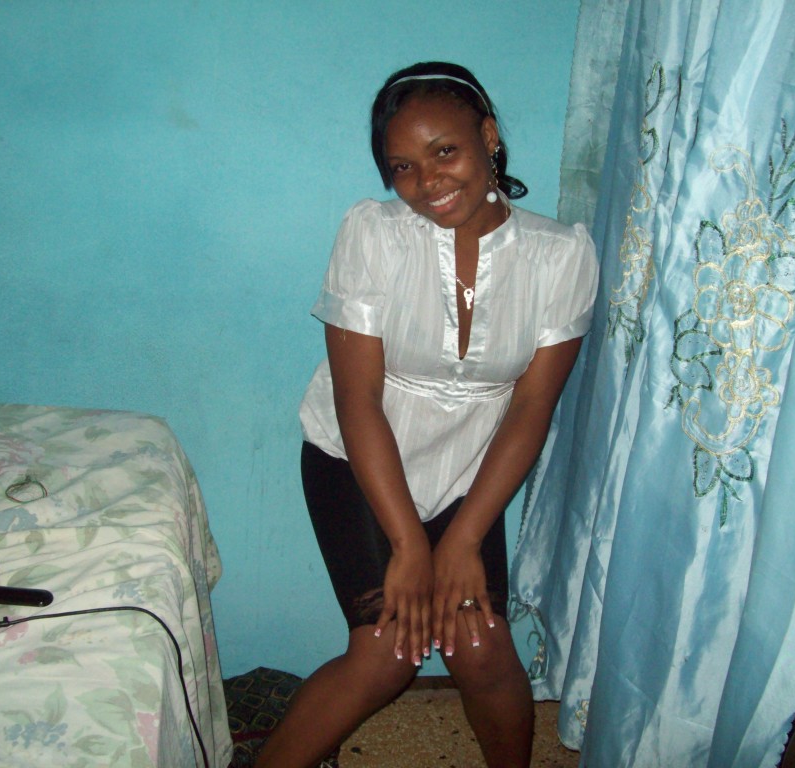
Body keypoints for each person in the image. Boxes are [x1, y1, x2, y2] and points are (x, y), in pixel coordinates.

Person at [256, 61, 598, 767]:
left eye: (445, 151)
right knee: (386, 654)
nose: (427, 181)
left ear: (489, 137)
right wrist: (410, 546)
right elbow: (356, 400)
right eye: (403, 167)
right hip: (358, 458)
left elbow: (532, 407)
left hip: (468, 474)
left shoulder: (561, 255)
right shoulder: (374, 234)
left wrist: (463, 539)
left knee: (481, 647)